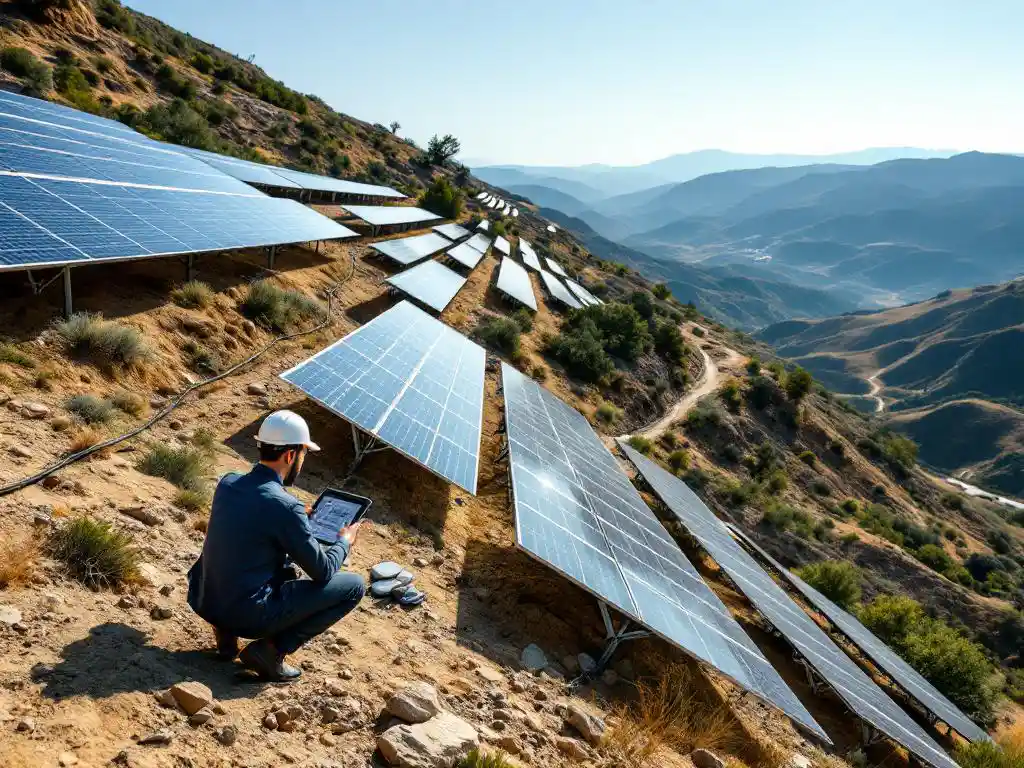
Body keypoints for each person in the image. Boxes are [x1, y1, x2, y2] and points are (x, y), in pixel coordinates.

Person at [187, 410, 366, 681]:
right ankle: (271, 651)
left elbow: (250, 523)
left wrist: (296, 518)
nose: (302, 462)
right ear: (290, 455)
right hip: (247, 615)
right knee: (354, 586)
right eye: (304, 455)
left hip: (205, 599)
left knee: (248, 557)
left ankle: (225, 637)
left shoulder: (229, 482)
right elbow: (323, 571)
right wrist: (343, 542)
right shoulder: (284, 506)